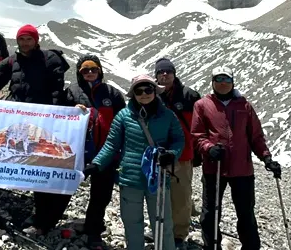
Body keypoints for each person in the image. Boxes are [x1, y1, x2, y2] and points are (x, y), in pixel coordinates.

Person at [0, 24, 75, 236]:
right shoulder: (11, 62)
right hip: (16, 122)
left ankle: (42, 221)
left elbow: (56, 91)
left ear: (36, 40)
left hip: (43, 124)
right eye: (21, 39)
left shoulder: (50, 59)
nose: (25, 43)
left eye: (29, 39)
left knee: (42, 169)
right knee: (14, 161)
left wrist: (49, 119)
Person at [84, 74, 184, 250]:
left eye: (148, 89)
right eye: (139, 90)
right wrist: (97, 164)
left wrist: (171, 154)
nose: (144, 94)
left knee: (163, 223)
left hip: (158, 177)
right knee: (132, 224)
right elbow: (111, 144)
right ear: (133, 94)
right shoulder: (123, 116)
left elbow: (178, 140)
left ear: (155, 91)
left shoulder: (168, 116)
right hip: (130, 178)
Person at [191, 67, 282, 250]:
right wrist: (209, 148)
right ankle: (212, 247)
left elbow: (255, 136)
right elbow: (197, 135)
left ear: (233, 81)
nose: (222, 83)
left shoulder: (244, 106)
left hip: (242, 169)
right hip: (214, 167)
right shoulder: (202, 105)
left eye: (226, 79)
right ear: (212, 82)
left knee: (246, 213)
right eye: (218, 79)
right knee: (210, 214)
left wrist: (267, 158)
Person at [64, 55, 126, 250]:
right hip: (77, 152)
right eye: (85, 70)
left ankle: (94, 231)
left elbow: (123, 121)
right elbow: (60, 114)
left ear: (100, 70)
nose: (89, 73)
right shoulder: (72, 91)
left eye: (93, 69)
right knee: (63, 187)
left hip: (106, 153)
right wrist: (71, 110)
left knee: (101, 194)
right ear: (79, 72)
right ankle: (45, 221)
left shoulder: (113, 94)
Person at [154, 57, 201, 249]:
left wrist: (199, 152)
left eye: (168, 72)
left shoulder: (189, 95)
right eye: (160, 72)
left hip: (183, 155)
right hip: (157, 156)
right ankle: (161, 229)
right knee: (158, 195)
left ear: (174, 74)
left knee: (181, 196)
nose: (164, 75)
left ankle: (179, 235)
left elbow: (200, 126)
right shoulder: (151, 95)